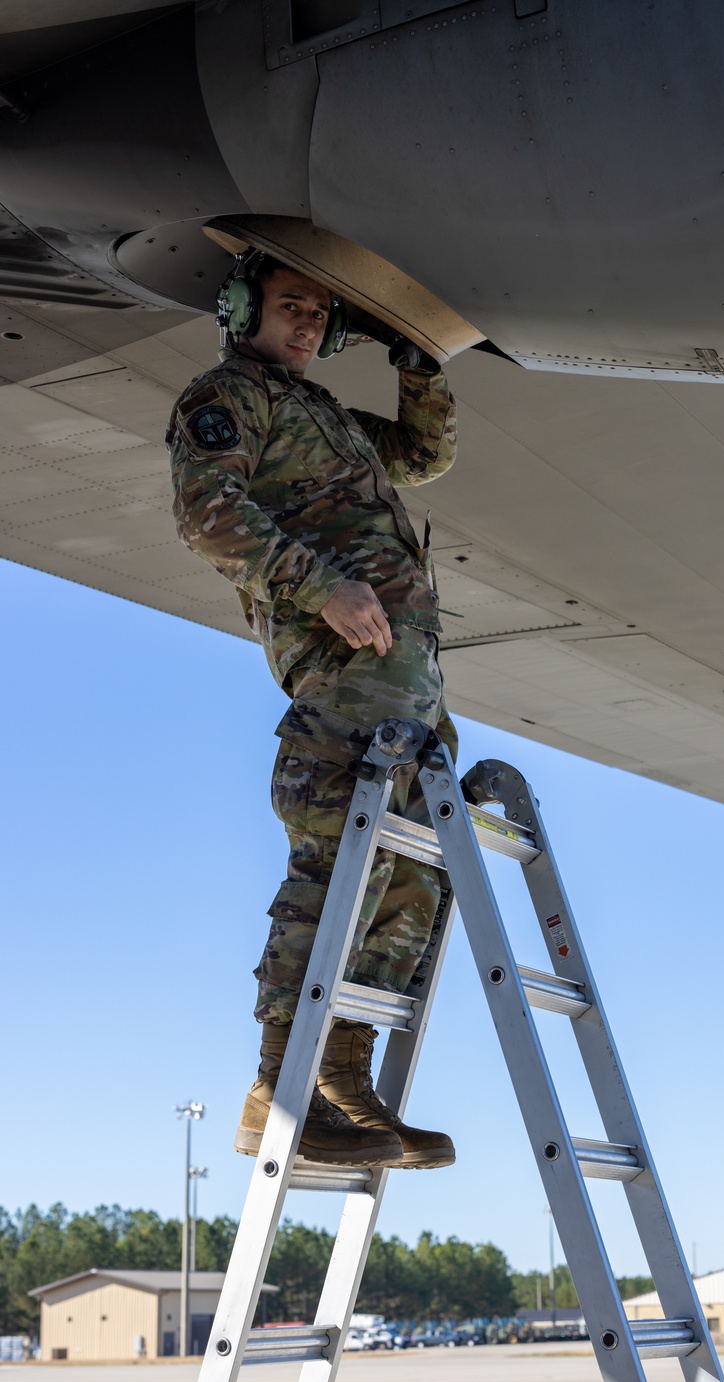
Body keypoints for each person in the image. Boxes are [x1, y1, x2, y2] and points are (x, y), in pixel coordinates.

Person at [167, 250, 458, 1171]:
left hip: (407, 683)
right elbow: (206, 512)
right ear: (245, 306)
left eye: (320, 314)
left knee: (413, 882)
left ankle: (343, 1084)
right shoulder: (226, 396)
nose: (305, 324)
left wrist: (412, 358)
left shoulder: (325, 413)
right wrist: (323, 585)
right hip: (344, 670)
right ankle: (276, 1090)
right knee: (337, 864)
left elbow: (422, 456)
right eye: (290, 304)